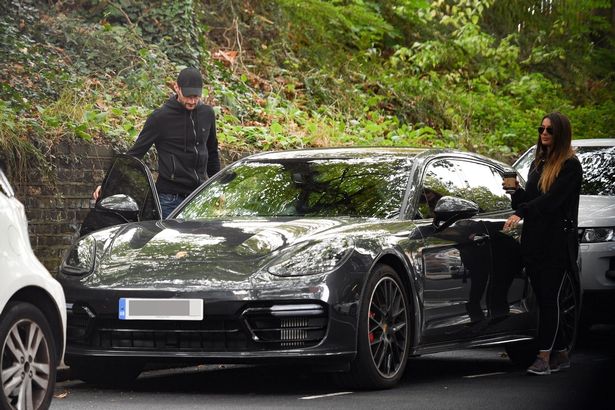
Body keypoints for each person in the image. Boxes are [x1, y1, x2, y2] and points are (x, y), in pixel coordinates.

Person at [503, 112, 582, 375]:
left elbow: (552, 202)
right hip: (534, 242)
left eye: (549, 130)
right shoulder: (538, 164)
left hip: (557, 243)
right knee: (542, 297)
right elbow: (531, 200)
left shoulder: (570, 165)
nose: (544, 133)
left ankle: (544, 357)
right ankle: (560, 353)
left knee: (550, 299)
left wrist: (522, 211)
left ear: (560, 134)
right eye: (541, 129)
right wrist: (515, 191)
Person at [93, 67, 220, 218]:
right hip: (170, 200)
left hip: (199, 197)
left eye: (196, 96)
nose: (192, 101)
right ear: (176, 88)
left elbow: (212, 152)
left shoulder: (207, 114)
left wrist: (219, 187)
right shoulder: (160, 118)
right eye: (188, 96)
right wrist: (107, 186)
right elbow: (135, 155)